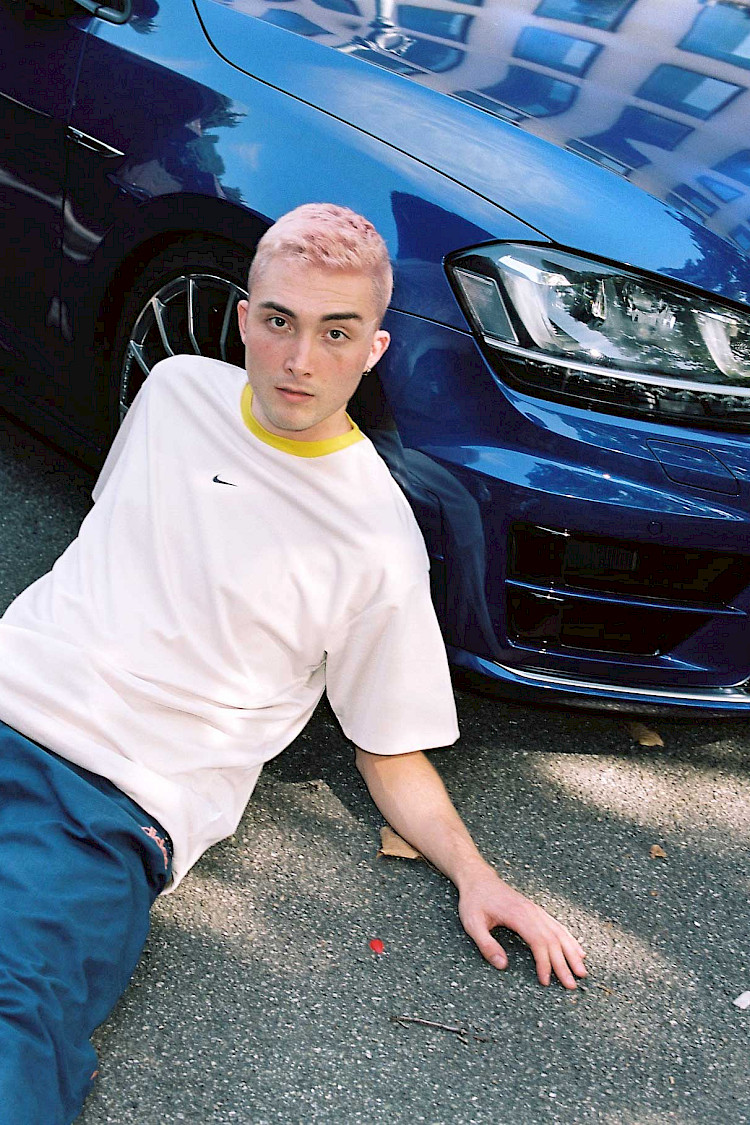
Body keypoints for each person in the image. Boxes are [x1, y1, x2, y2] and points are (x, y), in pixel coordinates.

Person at [0, 203, 586, 1124]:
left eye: (335, 332)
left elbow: (389, 748)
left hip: (107, 802)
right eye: (279, 320)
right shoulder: (173, 393)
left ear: (374, 349)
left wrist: (479, 875)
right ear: (245, 318)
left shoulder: (375, 540)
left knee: (13, 1023)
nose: (299, 359)